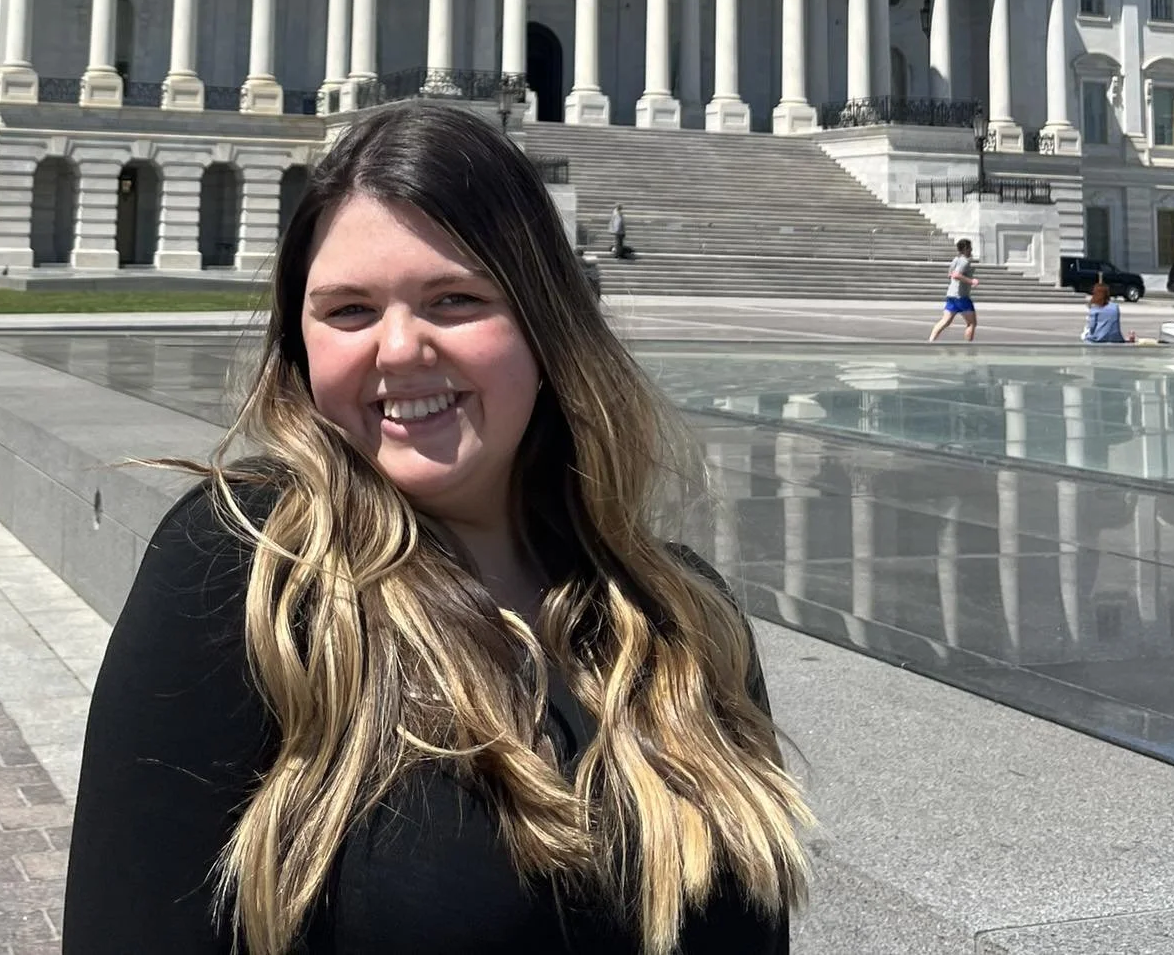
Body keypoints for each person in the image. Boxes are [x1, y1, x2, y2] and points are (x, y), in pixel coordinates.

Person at [63, 100, 809, 955]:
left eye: (454, 299)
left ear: (544, 319)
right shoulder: (248, 570)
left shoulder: (679, 618)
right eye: (347, 311)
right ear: (300, 347)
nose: (400, 348)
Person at [929, 238, 978, 342]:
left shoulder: (955, 259)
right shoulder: (964, 261)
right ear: (965, 249)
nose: (971, 250)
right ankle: (968, 347)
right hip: (961, 297)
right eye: (970, 248)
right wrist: (971, 281)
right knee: (971, 323)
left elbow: (950, 273)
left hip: (951, 295)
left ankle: (931, 341)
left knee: (945, 321)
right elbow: (956, 275)